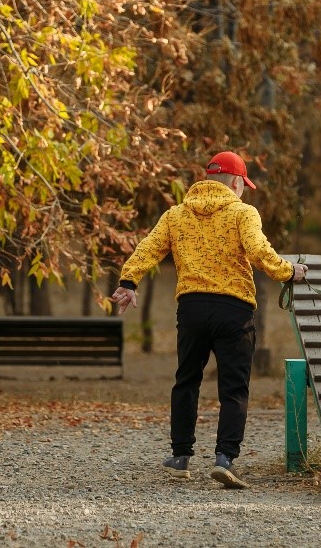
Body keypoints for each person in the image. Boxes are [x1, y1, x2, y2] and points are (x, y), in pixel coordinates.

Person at [112, 151, 308, 489]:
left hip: (191, 308)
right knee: (234, 386)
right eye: (243, 185)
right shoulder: (242, 212)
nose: (244, 190)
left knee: (186, 380)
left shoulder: (176, 215)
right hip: (234, 310)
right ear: (235, 182)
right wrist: (289, 271)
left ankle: (180, 457)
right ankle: (224, 459)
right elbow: (260, 251)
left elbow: (148, 248)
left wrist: (128, 282)